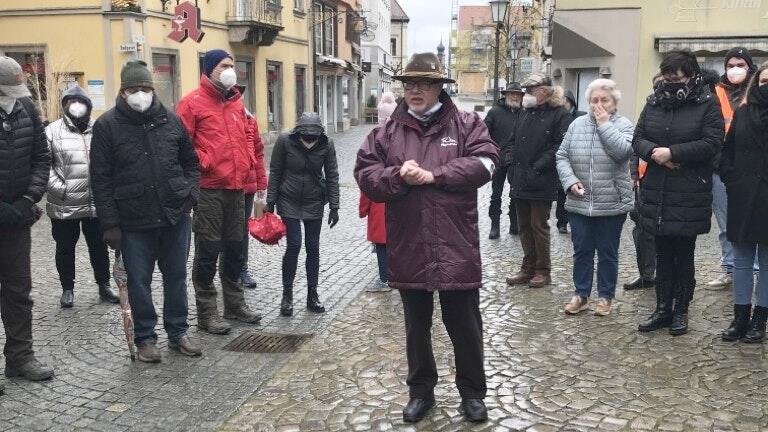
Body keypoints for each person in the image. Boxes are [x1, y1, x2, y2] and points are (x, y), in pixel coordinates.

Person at [355, 52, 500, 424]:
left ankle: (472, 393)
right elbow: (366, 174)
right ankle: (420, 392)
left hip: (455, 242)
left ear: (439, 87)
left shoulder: (467, 124)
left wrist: (435, 175)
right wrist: (397, 177)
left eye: (423, 83)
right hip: (409, 242)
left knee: (464, 324)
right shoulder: (386, 132)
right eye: (409, 84)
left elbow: (486, 163)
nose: (414, 90)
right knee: (416, 326)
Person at [90, 60, 202, 362]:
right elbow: (100, 179)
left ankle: (178, 332)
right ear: (123, 92)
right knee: (138, 282)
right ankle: (145, 337)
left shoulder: (171, 120)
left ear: (153, 90)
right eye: (133, 89)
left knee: (176, 277)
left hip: (174, 215)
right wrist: (110, 225)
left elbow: (190, 162)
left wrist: (191, 194)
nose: (140, 94)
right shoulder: (107, 126)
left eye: (145, 88)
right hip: (133, 220)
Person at [633, 50, 723, 336]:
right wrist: (653, 153)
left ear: (691, 74)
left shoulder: (706, 103)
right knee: (662, 253)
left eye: (677, 76)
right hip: (657, 190)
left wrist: (674, 152)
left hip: (688, 190)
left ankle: (681, 311)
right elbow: (638, 138)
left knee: (683, 254)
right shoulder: (655, 101)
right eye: (667, 76)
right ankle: (662, 309)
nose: (671, 82)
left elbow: (712, 141)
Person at [177, 49, 261, 335]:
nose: (230, 70)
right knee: (208, 251)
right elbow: (181, 146)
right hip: (209, 189)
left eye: (233, 66)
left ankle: (235, 304)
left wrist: (249, 160)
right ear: (210, 69)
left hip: (236, 187)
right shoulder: (191, 103)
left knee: (236, 249)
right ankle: (207, 312)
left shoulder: (236, 103)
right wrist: (205, 161)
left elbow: (247, 137)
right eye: (225, 65)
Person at [557, 79, 634, 316]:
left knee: (607, 252)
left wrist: (604, 124)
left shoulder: (624, 125)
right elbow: (562, 156)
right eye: (594, 100)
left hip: (612, 201)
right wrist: (570, 182)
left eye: (604, 100)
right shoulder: (576, 124)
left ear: (614, 102)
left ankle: (605, 297)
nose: (598, 104)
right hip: (579, 202)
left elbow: (623, 152)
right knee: (582, 251)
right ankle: (581, 294)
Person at [0, 56, 54, 388]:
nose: (16, 95)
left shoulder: (26, 109)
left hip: (17, 219)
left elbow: (41, 157)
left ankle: (20, 358)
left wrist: (27, 200)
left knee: (19, 291)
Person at [45, 85, 119, 308]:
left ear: (88, 105)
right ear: (65, 105)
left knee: (99, 246)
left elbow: (111, 161)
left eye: (81, 101)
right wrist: (61, 188)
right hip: (64, 202)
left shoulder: (100, 129)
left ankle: (104, 285)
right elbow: (42, 164)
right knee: (65, 248)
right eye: (71, 101)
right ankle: (67, 288)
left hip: (96, 202)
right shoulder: (52, 131)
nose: (76, 105)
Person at [266, 112, 340, 317]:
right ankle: (287, 294)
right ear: (298, 132)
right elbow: (275, 171)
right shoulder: (284, 141)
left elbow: (332, 175)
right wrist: (270, 202)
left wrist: (335, 206)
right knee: (294, 245)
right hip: (288, 199)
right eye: (306, 136)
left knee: (313, 247)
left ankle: (312, 293)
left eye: (313, 137)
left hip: (314, 200)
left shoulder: (327, 144)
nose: (309, 140)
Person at [506, 72, 571, 288]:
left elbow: (559, 146)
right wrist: (508, 162)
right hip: (520, 178)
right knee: (523, 225)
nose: (526, 95)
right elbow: (513, 140)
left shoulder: (559, 114)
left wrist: (537, 167)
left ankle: (543, 270)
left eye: (531, 91)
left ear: (544, 91)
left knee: (538, 225)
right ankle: (528, 267)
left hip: (541, 179)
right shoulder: (526, 112)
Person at [720, 61, 768, 343]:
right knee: (741, 260)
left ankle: (760, 319)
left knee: (767, 262)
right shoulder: (743, 112)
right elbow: (728, 151)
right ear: (755, 84)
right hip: (742, 195)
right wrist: (730, 178)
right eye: (763, 82)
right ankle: (740, 317)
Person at [707, 47, 758, 290]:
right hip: (721, 166)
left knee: (755, 219)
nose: (735, 69)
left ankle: (755, 267)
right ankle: (730, 267)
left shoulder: (758, 91)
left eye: (741, 64)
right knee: (726, 222)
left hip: (753, 168)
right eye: (731, 65)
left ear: (750, 68)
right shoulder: (715, 93)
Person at [624, 73, 663, 292]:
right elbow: (635, 145)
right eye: (657, 84)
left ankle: (664, 274)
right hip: (644, 182)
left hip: (668, 183)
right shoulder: (649, 109)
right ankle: (646, 274)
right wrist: (633, 174)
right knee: (641, 229)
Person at [233, 85, 267, 289]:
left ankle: (242, 267)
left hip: (248, 184)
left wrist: (262, 183)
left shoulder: (249, 120)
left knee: (242, 229)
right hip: (224, 184)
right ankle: (225, 268)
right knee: (221, 231)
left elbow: (259, 151)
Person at [484, 82, 524, 239]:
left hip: (518, 159)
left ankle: (514, 224)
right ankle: (495, 225)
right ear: (505, 95)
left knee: (516, 193)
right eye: (511, 93)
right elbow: (483, 133)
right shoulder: (495, 112)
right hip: (498, 158)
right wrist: (491, 151)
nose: (514, 96)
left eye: (517, 94)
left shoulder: (524, 112)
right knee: (496, 194)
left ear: (521, 97)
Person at [555, 90, 588, 234]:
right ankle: (562, 222)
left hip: (580, 158)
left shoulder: (581, 116)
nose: (563, 104)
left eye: (566, 101)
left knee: (579, 190)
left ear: (571, 102)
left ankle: (578, 220)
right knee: (562, 191)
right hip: (563, 157)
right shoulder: (557, 117)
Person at [359, 193, 390, 292]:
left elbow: (366, 194)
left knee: (381, 248)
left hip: (379, 214)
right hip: (395, 213)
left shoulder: (373, 177)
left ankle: (384, 280)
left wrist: (362, 211)